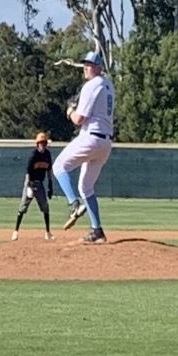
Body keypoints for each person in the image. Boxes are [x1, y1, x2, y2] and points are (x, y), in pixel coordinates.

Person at [54, 50, 115, 243]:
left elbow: (79, 119)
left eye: (90, 64)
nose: (86, 67)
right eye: (85, 64)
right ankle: (97, 231)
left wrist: (70, 111)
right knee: (86, 186)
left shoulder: (92, 84)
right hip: (105, 142)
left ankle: (73, 204)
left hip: (91, 138)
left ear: (98, 67)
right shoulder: (108, 84)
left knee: (58, 166)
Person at [12, 132, 55, 241]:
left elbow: (49, 169)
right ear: (37, 144)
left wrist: (50, 184)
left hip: (39, 184)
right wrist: (29, 186)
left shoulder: (47, 154)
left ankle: (47, 233)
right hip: (30, 182)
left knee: (45, 207)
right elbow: (28, 171)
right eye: (41, 143)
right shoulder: (34, 154)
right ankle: (15, 232)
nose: (43, 145)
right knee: (22, 207)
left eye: (44, 143)